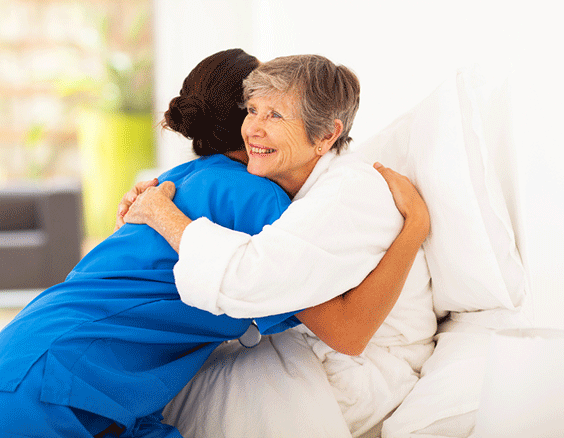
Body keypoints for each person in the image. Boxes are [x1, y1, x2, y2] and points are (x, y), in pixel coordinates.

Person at [118, 54, 437, 434]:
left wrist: (161, 213)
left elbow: (248, 279)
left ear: (325, 136)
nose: (252, 128)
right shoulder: (286, 185)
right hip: (323, 343)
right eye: (252, 110)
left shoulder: (345, 195)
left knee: (188, 392)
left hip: (364, 371)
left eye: (275, 116)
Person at [0, 49, 307, 438]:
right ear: (247, 116)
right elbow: (312, 305)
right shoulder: (258, 197)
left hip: (43, 365)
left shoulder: (177, 179)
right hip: (56, 382)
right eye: (268, 107)